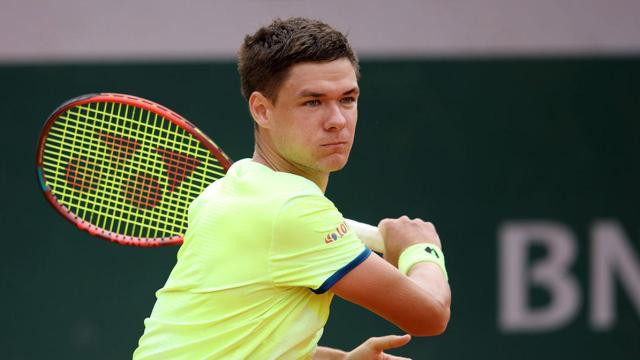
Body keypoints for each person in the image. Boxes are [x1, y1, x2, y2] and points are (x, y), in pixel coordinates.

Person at [133, 17, 451, 359]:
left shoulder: (228, 191)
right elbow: (429, 314)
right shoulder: (293, 209)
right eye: (312, 102)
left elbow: (233, 339)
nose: (337, 121)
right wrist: (421, 249)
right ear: (261, 110)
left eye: (347, 99)